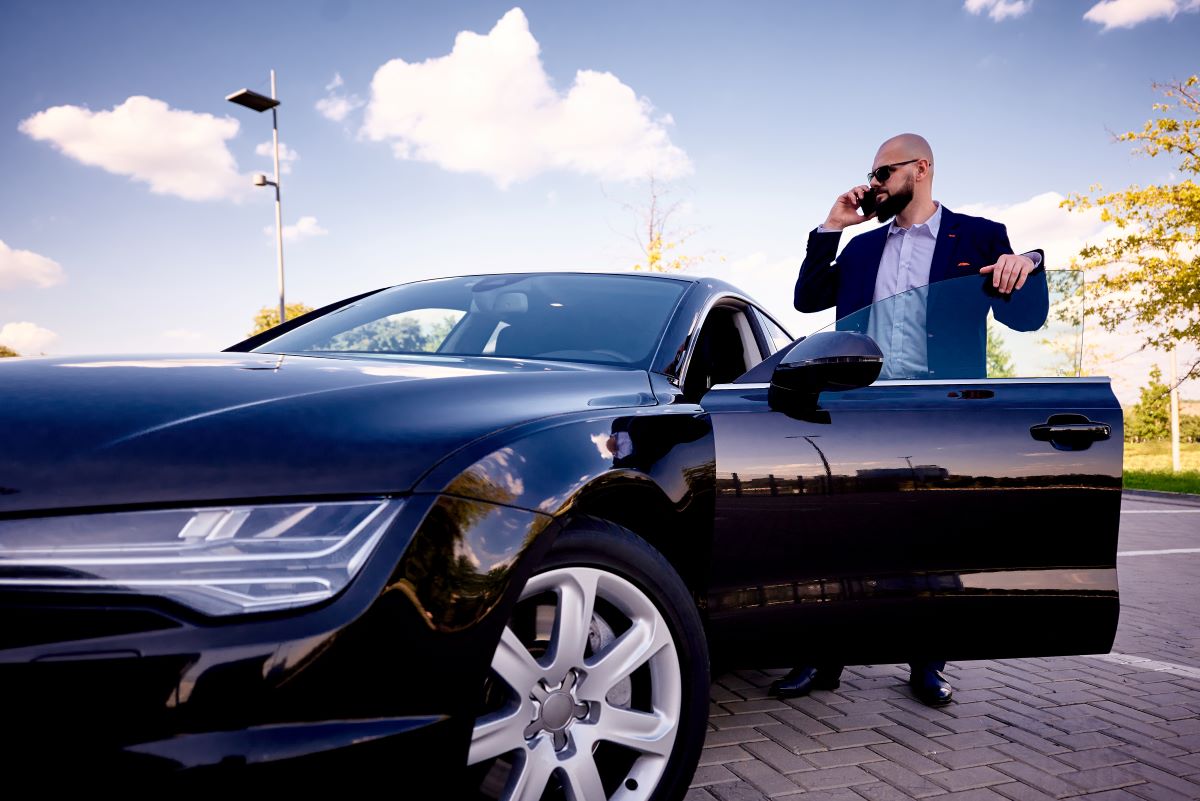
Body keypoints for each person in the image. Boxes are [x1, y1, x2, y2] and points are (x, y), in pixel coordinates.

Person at [777, 133, 1046, 706]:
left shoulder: (979, 235)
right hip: (861, 408)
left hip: (940, 411)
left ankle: (927, 663)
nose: (872, 184)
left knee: (932, 541)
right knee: (840, 536)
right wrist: (831, 227)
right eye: (871, 176)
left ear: (920, 169)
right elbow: (807, 298)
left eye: (882, 173)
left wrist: (1030, 261)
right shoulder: (861, 249)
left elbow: (1026, 321)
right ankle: (823, 657)